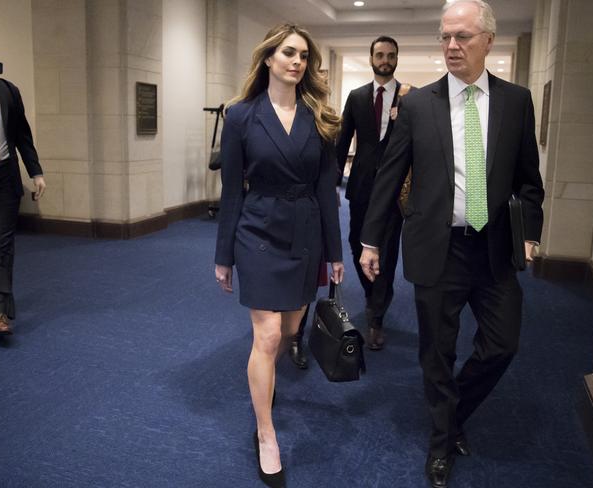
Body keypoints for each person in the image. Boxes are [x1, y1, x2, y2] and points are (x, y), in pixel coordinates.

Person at [359, 1, 544, 487]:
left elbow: (529, 180)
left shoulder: (516, 101)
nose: (451, 46)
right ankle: (441, 442)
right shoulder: (418, 104)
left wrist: (531, 234)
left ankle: (453, 410)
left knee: (503, 344)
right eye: (444, 37)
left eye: (462, 36)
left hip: (494, 248)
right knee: (436, 352)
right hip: (437, 247)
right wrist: (371, 240)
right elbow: (389, 174)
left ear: (488, 41)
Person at [214, 24, 344, 488]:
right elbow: (231, 192)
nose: (297, 62)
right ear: (268, 58)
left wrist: (335, 252)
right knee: (267, 335)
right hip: (258, 229)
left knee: (291, 330)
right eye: (288, 53)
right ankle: (266, 433)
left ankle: (268, 382)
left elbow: (328, 192)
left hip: (305, 231)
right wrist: (224, 254)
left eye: (304, 56)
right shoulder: (241, 116)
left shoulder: (322, 117)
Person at [336, 36, 411, 351]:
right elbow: (343, 140)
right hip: (361, 185)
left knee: (388, 251)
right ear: (371, 58)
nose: (385, 59)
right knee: (357, 243)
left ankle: (376, 315)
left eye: (390, 55)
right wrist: (330, 180)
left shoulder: (410, 98)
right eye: (379, 54)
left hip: (394, 191)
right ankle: (371, 294)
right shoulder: (356, 97)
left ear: (396, 59)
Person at [0, 30, 46, 341]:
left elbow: (22, 136)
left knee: (0, 244)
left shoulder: (8, 90)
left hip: (4, 176)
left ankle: (1, 314)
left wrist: (36, 172)